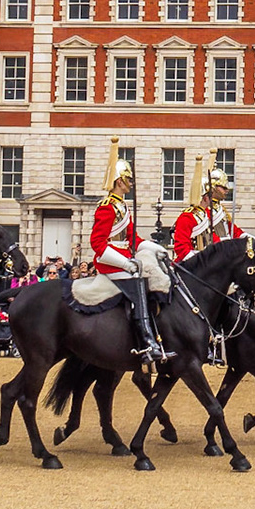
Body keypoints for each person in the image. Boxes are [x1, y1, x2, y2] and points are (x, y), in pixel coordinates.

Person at [89, 140, 171, 363]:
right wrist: (125, 263)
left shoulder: (122, 207)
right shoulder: (107, 207)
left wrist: (156, 248)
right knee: (138, 284)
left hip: (123, 258)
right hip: (109, 262)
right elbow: (97, 244)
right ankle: (146, 342)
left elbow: (133, 239)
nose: (131, 183)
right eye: (129, 179)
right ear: (119, 181)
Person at [171, 153, 236, 259]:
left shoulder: (204, 214)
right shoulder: (187, 217)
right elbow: (181, 247)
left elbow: (211, 239)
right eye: (210, 196)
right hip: (190, 263)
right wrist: (200, 260)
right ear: (205, 197)